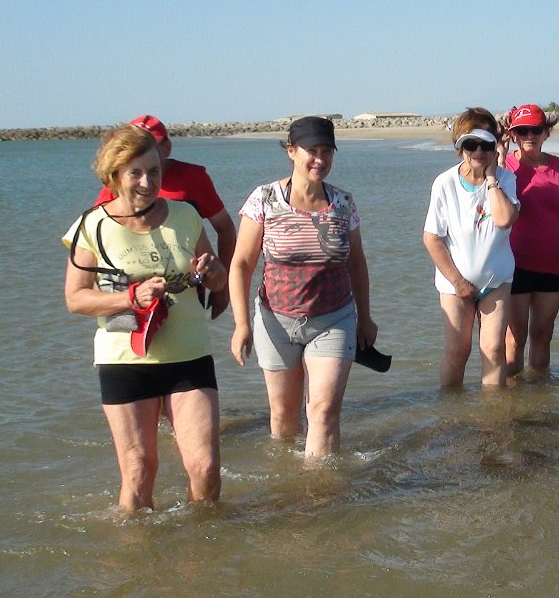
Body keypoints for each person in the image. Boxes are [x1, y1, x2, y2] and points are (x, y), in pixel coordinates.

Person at [63, 124, 227, 512]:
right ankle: (137, 549)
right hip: (125, 359)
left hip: (188, 355)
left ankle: (203, 545)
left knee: (205, 468)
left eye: (154, 171)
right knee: (139, 470)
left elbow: (217, 279)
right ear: (114, 175)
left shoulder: (186, 215)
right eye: (135, 172)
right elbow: (76, 299)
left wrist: (213, 272)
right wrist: (130, 297)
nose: (147, 182)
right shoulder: (92, 226)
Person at [228, 116, 378, 458]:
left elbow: (356, 264)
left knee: (323, 412)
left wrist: (366, 318)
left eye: (327, 151)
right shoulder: (264, 199)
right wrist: (241, 325)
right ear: (291, 151)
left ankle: (319, 486)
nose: (320, 160)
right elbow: (241, 265)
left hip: (334, 319)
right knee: (284, 418)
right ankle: (286, 481)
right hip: (275, 322)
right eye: (312, 151)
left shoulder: (343, 203)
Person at [96, 115, 236, 319]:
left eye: (151, 144)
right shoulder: (119, 184)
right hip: (133, 297)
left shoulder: (193, 178)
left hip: (185, 289)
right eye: (135, 144)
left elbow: (225, 228)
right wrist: (109, 296)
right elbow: (95, 239)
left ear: (167, 147)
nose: (144, 150)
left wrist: (223, 287)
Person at [423, 107, 520, 388]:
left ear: (495, 146)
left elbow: (504, 219)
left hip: (496, 280)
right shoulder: (445, 183)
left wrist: (491, 179)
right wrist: (458, 282)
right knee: (457, 351)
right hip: (454, 284)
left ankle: (493, 413)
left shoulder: (506, 179)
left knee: (493, 349)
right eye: (471, 144)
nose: (478, 151)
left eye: (486, 145)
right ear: (459, 147)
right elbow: (432, 238)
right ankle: (451, 410)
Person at [498, 104, 559, 376]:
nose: (529, 136)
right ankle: (514, 397)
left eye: (536, 129)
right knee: (514, 339)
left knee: (543, 335)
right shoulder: (503, 167)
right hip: (513, 266)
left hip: (551, 265)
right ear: (513, 135)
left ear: (546, 132)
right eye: (522, 131)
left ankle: (541, 393)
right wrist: (499, 159)